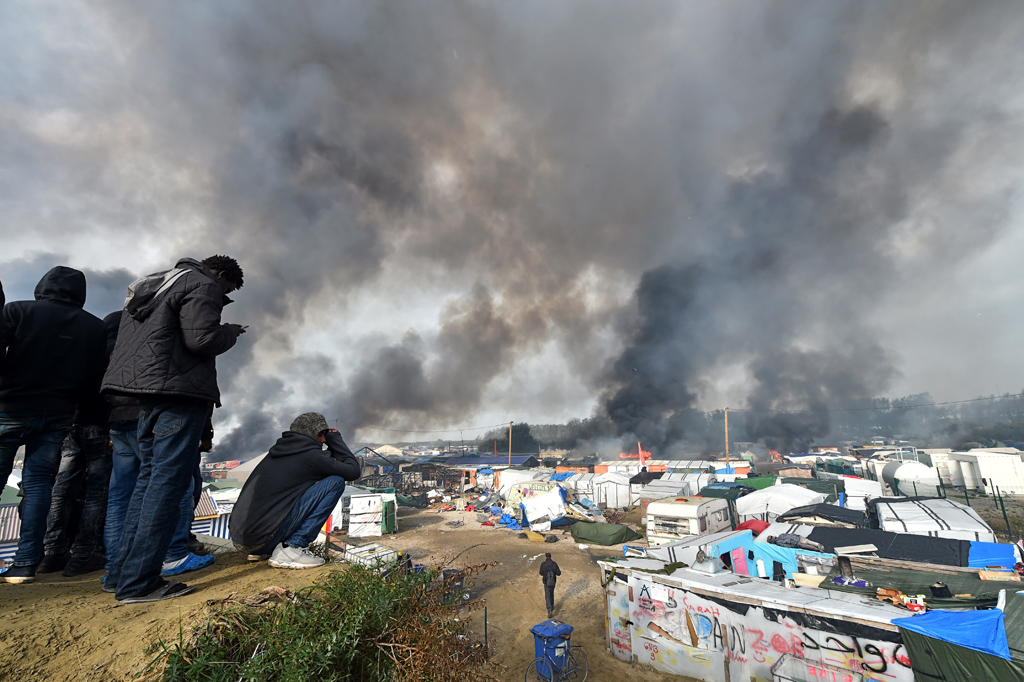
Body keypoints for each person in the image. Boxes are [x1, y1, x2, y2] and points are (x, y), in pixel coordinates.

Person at [101, 256, 244, 603]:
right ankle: (139, 584)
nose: (222, 295)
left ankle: (121, 575)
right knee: (166, 485)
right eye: (227, 289)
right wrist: (230, 333)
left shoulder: (155, 283)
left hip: (144, 395)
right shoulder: (202, 284)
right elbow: (202, 339)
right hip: (178, 394)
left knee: (147, 482)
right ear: (221, 275)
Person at [0, 266, 107, 584]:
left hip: (9, 409)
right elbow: (94, 379)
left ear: (42, 285)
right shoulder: (94, 327)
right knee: (37, 486)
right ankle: (26, 564)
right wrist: (88, 418)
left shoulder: (17, 310)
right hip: (59, 415)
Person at [102, 309, 214, 586]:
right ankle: (174, 555)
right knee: (175, 485)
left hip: (117, 419)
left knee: (122, 495)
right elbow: (192, 382)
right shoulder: (170, 326)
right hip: (151, 414)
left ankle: (117, 565)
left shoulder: (114, 327)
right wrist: (205, 430)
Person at [230, 412, 360, 569]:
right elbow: (353, 471)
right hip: (262, 540)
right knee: (335, 483)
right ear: (312, 434)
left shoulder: (278, 452)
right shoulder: (312, 457)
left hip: (243, 540)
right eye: (321, 435)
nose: (324, 440)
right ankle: (292, 548)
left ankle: (269, 549)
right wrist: (335, 439)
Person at [539, 552, 561, 618]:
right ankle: (552, 605)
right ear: (551, 557)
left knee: (547, 595)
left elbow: (541, 573)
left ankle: (549, 610)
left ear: (546, 557)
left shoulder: (543, 564)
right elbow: (558, 573)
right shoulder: (554, 564)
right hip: (553, 581)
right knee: (552, 593)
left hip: (546, 582)